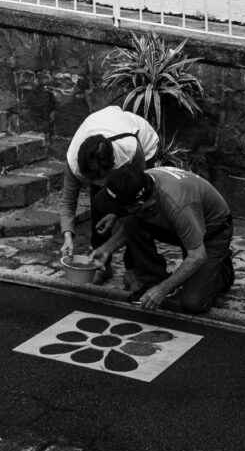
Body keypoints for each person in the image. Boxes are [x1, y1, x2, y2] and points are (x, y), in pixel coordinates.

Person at [90, 163, 235, 313]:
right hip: (178, 225)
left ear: (138, 204)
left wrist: (163, 289)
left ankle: (223, 271)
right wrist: (107, 249)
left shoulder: (178, 205)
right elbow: (130, 221)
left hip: (212, 232)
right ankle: (153, 280)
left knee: (193, 303)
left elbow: (197, 257)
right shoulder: (139, 184)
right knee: (130, 219)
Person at [59, 105, 160, 278]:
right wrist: (67, 236)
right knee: (99, 204)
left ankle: (134, 267)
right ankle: (102, 264)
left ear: (112, 166)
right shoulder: (74, 162)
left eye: (101, 179)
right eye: (91, 180)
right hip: (106, 131)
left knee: (135, 209)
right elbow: (68, 202)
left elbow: (140, 195)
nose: (98, 184)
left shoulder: (130, 150)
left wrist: (118, 214)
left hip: (144, 144)